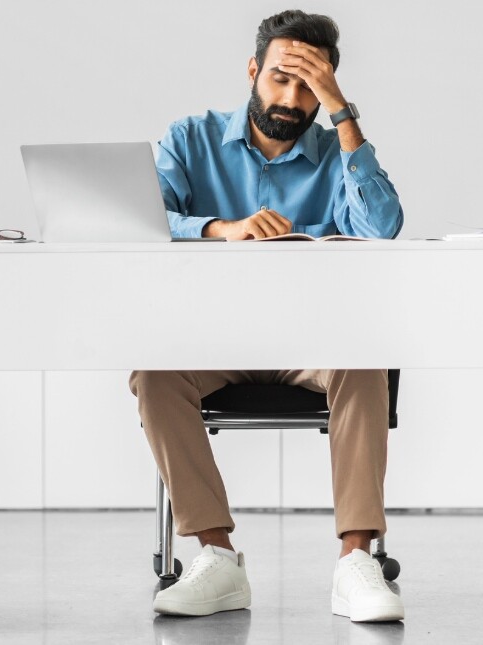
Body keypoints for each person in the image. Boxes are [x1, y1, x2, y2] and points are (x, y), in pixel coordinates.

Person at [129, 10, 405, 623]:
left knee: (364, 359)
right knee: (153, 373)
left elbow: (382, 229)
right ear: (253, 71)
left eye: (310, 86)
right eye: (281, 78)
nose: (290, 98)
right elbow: (145, 222)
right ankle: (217, 557)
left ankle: (356, 561)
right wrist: (221, 230)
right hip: (212, 341)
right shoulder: (190, 138)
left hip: (311, 343)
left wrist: (343, 111)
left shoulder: (339, 150)